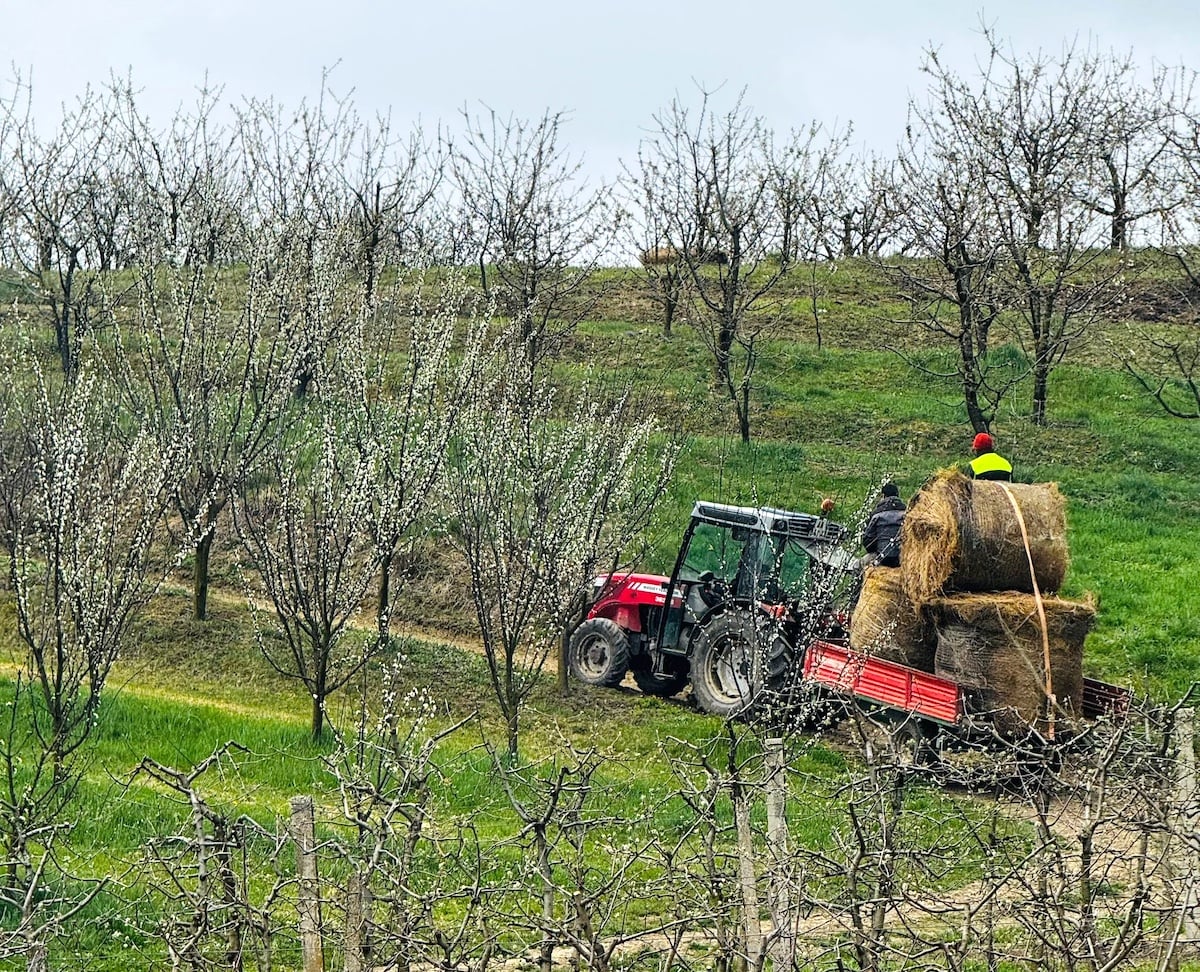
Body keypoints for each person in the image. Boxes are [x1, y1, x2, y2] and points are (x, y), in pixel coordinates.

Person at [862, 482, 906, 568]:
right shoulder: (908, 512)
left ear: (883, 496)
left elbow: (868, 541)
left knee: (857, 566)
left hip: (882, 558)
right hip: (902, 558)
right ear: (898, 495)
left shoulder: (876, 514)